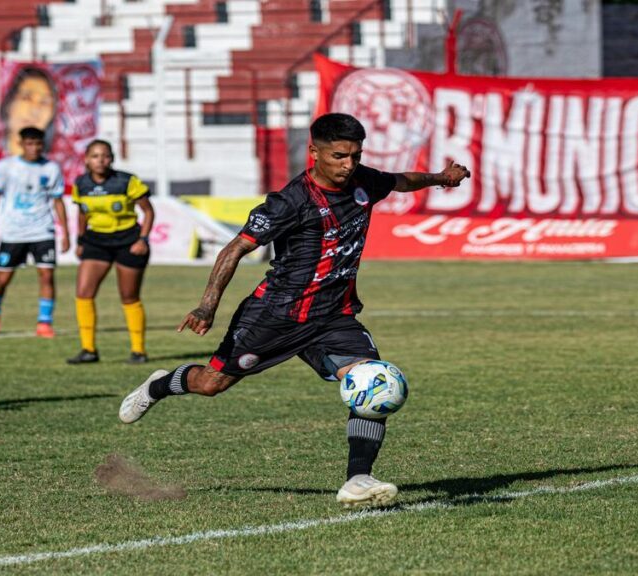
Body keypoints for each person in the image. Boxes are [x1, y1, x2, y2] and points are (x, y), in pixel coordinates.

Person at [117, 113, 470, 506]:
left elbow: (401, 181)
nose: (348, 165)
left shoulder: (364, 181)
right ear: (314, 151)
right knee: (211, 384)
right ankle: (159, 384)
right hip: (275, 315)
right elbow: (234, 248)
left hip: (334, 316)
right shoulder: (290, 201)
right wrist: (206, 306)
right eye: (339, 156)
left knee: (374, 380)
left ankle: (358, 480)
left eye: (355, 155)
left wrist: (441, 178)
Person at [67, 140, 155, 365]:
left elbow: (148, 211)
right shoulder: (81, 184)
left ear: (112, 159)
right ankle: (88, 349)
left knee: (129, 296)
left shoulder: (126, 181)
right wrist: (80, 240)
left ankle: (139, 351)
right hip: (96, 242)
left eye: (105, 156)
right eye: (95, 156)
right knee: (83, 293)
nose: (100, 160)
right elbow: (82, 215)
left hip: (128, 241)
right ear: (86, 159)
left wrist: (143, 240)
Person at [0, 127, 69, 338]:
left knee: (46, 275)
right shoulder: (6, 166)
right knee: (3, 278)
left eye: (38, 143)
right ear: (21, 144)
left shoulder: (51, 168)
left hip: (42, 230)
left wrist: (65, 231)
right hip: (14, 231)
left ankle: (44, 323)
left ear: (43, 145)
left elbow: (58, 200)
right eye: (29, 143)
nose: (34, 148)